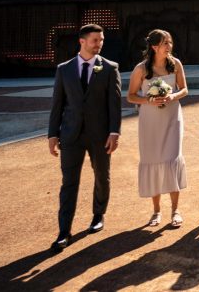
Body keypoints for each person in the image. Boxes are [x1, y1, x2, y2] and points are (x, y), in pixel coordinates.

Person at [48, 23, 122, 251]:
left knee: (102, 176)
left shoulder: (110, 68)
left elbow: (115, 104)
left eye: (101, 40)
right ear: (82, 41)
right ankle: (64, 231)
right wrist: (52, 134)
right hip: (70, 135)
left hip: (100, 135)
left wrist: (114, 132)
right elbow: (57, 104)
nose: (99, 44)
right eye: (94, 41)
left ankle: (98, 215)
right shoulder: (64, 69)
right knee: (69, 183)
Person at [126, 29, 188, 228]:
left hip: (172, 119)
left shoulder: (176, 64)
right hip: (150, 121)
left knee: (172, 159)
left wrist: (173, 96)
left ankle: (175, 210)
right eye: (165, 43)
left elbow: (184, 89)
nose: (169, 46)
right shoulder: (141, 69)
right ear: (154, 47)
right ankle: (156, 211)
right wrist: (149, 100)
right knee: (153, 161)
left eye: (170, 42)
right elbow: (131, 96)